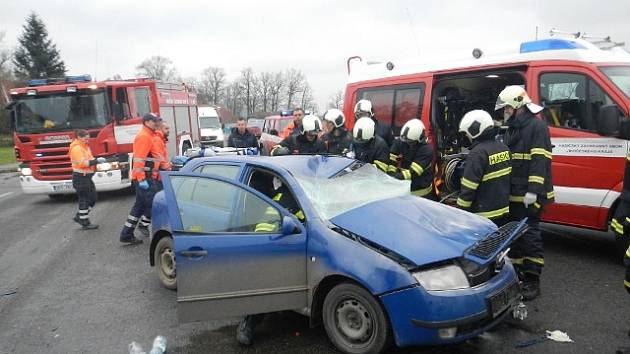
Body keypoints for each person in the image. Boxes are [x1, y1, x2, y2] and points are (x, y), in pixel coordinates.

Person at [495, 85, 554, 301]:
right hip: (515, 193)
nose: (505, 112)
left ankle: (532, 280)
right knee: (516, 236)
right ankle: (518, 274)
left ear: (518, 106)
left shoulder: (537, 127)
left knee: (530, 236)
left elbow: (540, 162)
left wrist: (533, 191)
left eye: (507, 108)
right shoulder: (514, 128)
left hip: (530, 195)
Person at [237, 176, 303, 346]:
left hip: (302, 245)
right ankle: (248, 323)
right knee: (263, 280)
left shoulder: (308, 193)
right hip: (279, 246)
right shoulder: (282, 199)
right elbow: (265, 230)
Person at [456, 110, 511, 226]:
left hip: (483, 216)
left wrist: (460, 212)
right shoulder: (503, 147)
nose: (466, 135)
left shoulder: (477, 153)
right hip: (503, 211)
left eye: (467, 132)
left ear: (475, 130)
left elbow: (468, 188)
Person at [119, 113, 163, 244]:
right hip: (145, 178)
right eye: (155, 121)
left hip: (146, 177)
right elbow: (139, 160)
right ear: (147, 122)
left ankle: (126, 234)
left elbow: (153, 158)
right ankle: (159, 236)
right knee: (156, 206)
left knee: (139, 207)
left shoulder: (149, 135)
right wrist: (141, 179)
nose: (157, 124)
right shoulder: (144, 137)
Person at [137, 121, 172, 237]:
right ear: (160, 129)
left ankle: (143, 224)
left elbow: (161, 158)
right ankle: (144, 224)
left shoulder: (160, 139)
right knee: (155, 202)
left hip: (158, 175)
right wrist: (168, 167)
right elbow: (159, 159)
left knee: (148, 202)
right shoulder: (157, 140)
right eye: (166, 128)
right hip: (156, 176)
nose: (169, 131)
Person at [69, 129, 106, 230]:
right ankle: (85, 222)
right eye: (85, 138)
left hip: (86, 177)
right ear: (79, 137)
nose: (87, 140)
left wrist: (95, 161)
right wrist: (96, 161)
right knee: (84, 199)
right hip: (81, 177)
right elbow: (83, 163)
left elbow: (89, 159)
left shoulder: (84, 147)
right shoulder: (77, 148)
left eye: (88, 138)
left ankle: (80, 216)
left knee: (93, 198)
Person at [388, 119, 435, 198]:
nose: (407, 144)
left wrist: (396, 177)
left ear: (420, 139)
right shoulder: (403, 140)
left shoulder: (426, 150)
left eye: (410, 142)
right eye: (406, 141)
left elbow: (413, 172)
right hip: (405, 187)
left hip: (421, 191)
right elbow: (392, 157)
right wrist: (390, 172)